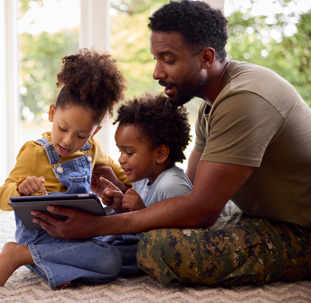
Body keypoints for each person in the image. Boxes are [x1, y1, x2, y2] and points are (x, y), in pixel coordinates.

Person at [32, 0, 311, 286]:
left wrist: (95, 227)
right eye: (156, 59)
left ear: (206, 57)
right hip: (260, 214)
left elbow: (200, 208)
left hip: (301, 230)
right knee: (152, 228)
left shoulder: (244, 98)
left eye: (168, 59)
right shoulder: (211, 104)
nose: (156, 72)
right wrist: (122, 186)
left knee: (159, 248)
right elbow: (186, 195)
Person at [0, 48, 136, 289]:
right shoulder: (35, 152)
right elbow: (0, 197)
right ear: (52, 113)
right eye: (63, 128)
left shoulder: (92, 148)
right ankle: (22, 254)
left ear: (94, 132)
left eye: (81, 135)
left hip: (82, 231)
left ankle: (65, 265)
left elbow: (125, 181)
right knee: (111, 261)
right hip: (43, 236)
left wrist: (116, 193)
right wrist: (20, 188)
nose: (67, 141)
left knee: (136, 245)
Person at [101, 93, 192, 216]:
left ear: (160, 153)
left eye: (129, 152)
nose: (121, 159)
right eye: (120, 151)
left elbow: (184, 232)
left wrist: (142, 212)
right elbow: (135, 227)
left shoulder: (173, 186)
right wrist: (120, 207)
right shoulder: (142, 178)